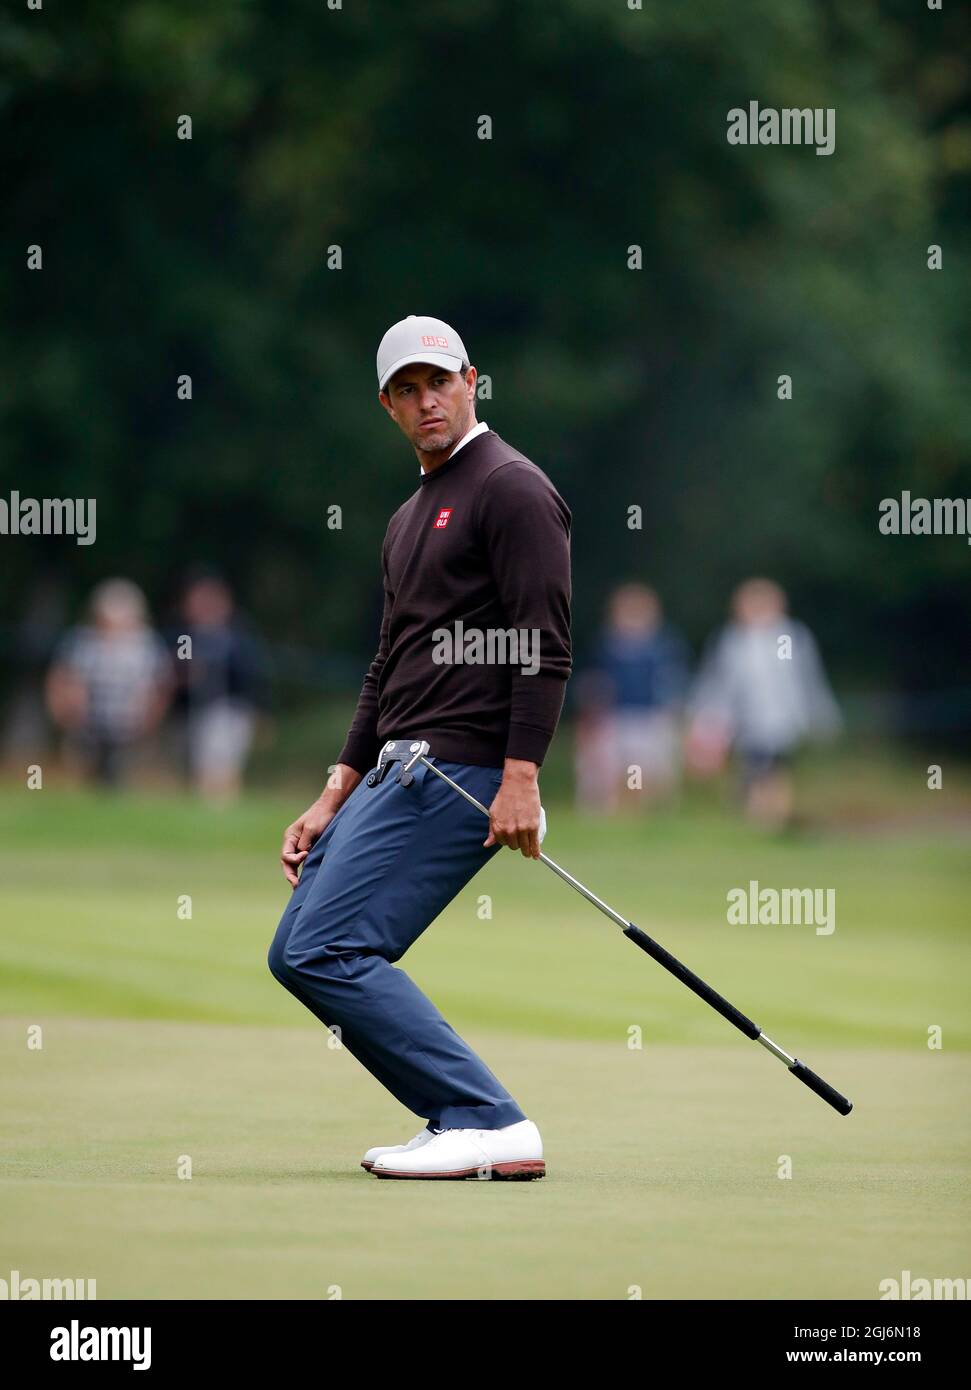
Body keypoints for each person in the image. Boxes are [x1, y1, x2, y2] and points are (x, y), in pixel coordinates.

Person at [267, 315, 572, 1180]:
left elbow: (541, 645)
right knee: (298, 950)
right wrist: (334, 790)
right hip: (398, 769)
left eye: (437, 382)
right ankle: (461, 1116)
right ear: (387, 405)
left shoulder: (511, 488)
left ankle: (483, 1119)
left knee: (325, 948)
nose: (424, 400)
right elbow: (387, 663)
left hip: (464, 769)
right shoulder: (409, 516)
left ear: (472, 380)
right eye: (406, 389)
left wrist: (522, 779)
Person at [685, 578, 842, 828]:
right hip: (744, 720)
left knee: (777, 768)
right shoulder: (733, 641)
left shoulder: (790, 637)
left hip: (781, 719)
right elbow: (719, 682)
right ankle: (757, 818)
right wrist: (708, 717)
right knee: (753, 768)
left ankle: (774, 818)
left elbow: (804, 679)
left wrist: (818, 714)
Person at [574, 583, 689, 812]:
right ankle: (613, 811)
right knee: (609, 771)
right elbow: (592, 685)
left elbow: (674, 684)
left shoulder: (664, 647)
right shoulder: (604, 646)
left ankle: (647, 812)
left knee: (646, 771)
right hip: (614, 718)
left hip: (651, 718)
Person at [45, 578, 171, 786]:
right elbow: (64, 677)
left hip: (128, 723)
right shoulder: (82, 641)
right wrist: (64, 707)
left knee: (121, 776)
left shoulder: (146, 645)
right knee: (89, 773)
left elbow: (158, 685)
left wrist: (150, 715)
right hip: (88, 722)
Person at [171, 572, 269, 802]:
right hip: (193, 713)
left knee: (221, 765)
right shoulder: (184, 635)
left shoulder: (237, 635)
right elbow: (175, 671)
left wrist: (261, 711)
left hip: (229, 710)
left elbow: (253, 675)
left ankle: (221, 805)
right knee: (198, 766)